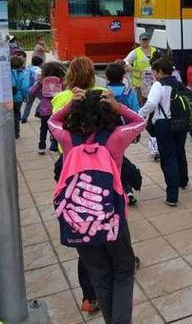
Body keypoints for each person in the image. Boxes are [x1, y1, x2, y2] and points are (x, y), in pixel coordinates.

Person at [49, 88, 145, 324]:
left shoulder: (67, 138)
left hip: (80, 220)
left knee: (100, 275)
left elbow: (53, 121)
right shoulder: (117, 138)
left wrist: (70, 105)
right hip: (113, 218)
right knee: (123, 271)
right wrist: (118, 106)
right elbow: (140, 120)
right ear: (106, 111)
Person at [138, 57, 189, 206]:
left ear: (159, 71)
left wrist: (139, 114)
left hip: (164, 124)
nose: (153, 74)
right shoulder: (179, 83)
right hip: (180, 123)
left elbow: (152, 103)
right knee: (180, 152)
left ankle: (172, 196)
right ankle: (183, 181)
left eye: (154, 71)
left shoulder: (158, 85)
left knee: (168, 158)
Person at [105, 60, 145, 206]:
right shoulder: (130, 92)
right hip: (125, 132)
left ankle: (123, 187)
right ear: (123, 76)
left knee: (114, 159)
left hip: (106, 132)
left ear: (107, 77)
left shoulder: (102, 92)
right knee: (119, 157)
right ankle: (126, 187)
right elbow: (136, 111)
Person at [29, 61, 65, 154]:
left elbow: (32, 91)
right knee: (57, 128)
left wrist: (41, 94)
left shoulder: (42, 82)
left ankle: (41, 146)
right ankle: (54, 145)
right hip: (57, 109)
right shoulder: (62, 81)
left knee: (43, 128)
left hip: (45, 110)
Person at [123, 33, 158, 104]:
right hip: (139, 83)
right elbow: (125, 61)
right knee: (140, 102)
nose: (144, 42)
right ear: (140, 41)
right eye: (143, 40)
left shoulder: (155, 50)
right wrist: (128, 64)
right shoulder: (135, 52)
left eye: (146, 40)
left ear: (149, 41)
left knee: (151, 102)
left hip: (152, 82)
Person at [20, 54, 43, 124]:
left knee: (28, 104)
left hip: (28, 88)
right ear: (40, 63)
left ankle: (24, 117)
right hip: (36, 88)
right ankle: (38, 111)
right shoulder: (39, 70)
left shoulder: (28, 68)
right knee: (45, 99)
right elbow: (40, 80)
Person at [10, 55, 29, 139]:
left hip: (7, 98)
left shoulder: (6, 73)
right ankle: (16, 132)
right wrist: (25, 96)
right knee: (16, 114)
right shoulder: (22, 74)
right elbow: (25, 87)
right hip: (18, 98)